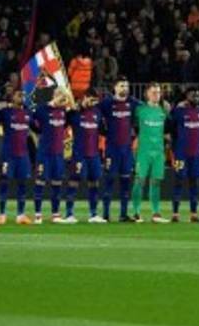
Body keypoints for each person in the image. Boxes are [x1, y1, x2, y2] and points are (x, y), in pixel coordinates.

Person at [99, 78, 139, 222]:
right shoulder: (107, 103)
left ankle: (123, 214)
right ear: (115, 88)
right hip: (112, 149)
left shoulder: (133, 103)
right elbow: (95, 114)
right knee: (109, 180)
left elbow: (146, 111)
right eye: (121, 86)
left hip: (126, 150)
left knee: (126, 182)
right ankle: (105, 214)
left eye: (127, 86)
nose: (125, 88)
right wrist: (103, 131)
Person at [130, 84, 170, 223]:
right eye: (153, 92)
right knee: (139, 180)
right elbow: (131, 125)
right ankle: (136, 212)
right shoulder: (140, 110)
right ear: (147, 94)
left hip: (158, 151)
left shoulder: (163, 111)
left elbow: (168, 130)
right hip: (143, 151)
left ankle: (156, 213)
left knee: (156, 182)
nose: (156, 95)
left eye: (158, 93)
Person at [31, 89, 72, 224]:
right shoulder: (42, 109)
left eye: (65, 98)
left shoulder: (63, 111)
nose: (64, 100)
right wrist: (40, 132)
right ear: (55, 95)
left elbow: (64, 125)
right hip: (44, 153)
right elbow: (32, 122)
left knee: (57, 184)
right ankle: (37, 214)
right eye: (62, 97)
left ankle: (55, 215)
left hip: (58, 153)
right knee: (40, 183)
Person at [0, 88, 33, 224]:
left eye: (23, 94)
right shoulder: (5, 113)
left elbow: (38, 127)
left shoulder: (27, 113)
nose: (21, 96)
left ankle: (20, 215)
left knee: (23, 184)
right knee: (4, 183)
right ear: (12, 98)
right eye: (18, 95)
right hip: (8, 155)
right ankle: (2, 215)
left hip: (23, 155)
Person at [66, 91, 104, 223]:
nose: (93, 103)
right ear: (85, 98)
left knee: (94, 183)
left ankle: (93, 214)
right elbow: (63, 123)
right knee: (74, 182)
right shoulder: (74, 113)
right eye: (91, 100)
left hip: (93, 154)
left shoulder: (97, 113)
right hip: (79, 154)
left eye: (95, 101)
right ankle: (69, 214)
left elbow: (101, 130)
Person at [170, 87, 199, 222]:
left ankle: (194, 213)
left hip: (196, 153)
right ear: (186, 97)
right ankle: (175, 213)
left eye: (198, 95)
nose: (196, 97)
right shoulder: (179, 112)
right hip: (181, 153)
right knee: (178, 181)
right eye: (193, 95)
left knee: (194, 183)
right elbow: (172, 129)